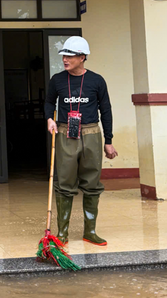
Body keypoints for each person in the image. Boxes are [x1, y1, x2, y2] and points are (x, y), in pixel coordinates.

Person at [45, 36, 118, 246]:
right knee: (65, 183)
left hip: (92, 133)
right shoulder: (57, 80)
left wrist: (109, 140)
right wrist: (50, 119)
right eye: (64, 56)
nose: (65, 59)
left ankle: (90, 231)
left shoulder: (96, 80)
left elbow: (106, 110)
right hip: (66, 133)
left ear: (82, 57)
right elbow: (49, 102)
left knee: (92, 183)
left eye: (69, 56)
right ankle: (62, 233)